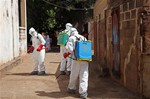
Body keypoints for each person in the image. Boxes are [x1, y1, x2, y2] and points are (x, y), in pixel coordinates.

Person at [64, 28, 89, 99]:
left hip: (76, 59)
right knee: (84, 75)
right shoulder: (83, 38)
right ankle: (83, 92)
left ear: (71, 32)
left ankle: (71, 88)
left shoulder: (71, 38)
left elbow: (70, 49)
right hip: (85, 59)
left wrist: (67, 54)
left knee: (74, 74)